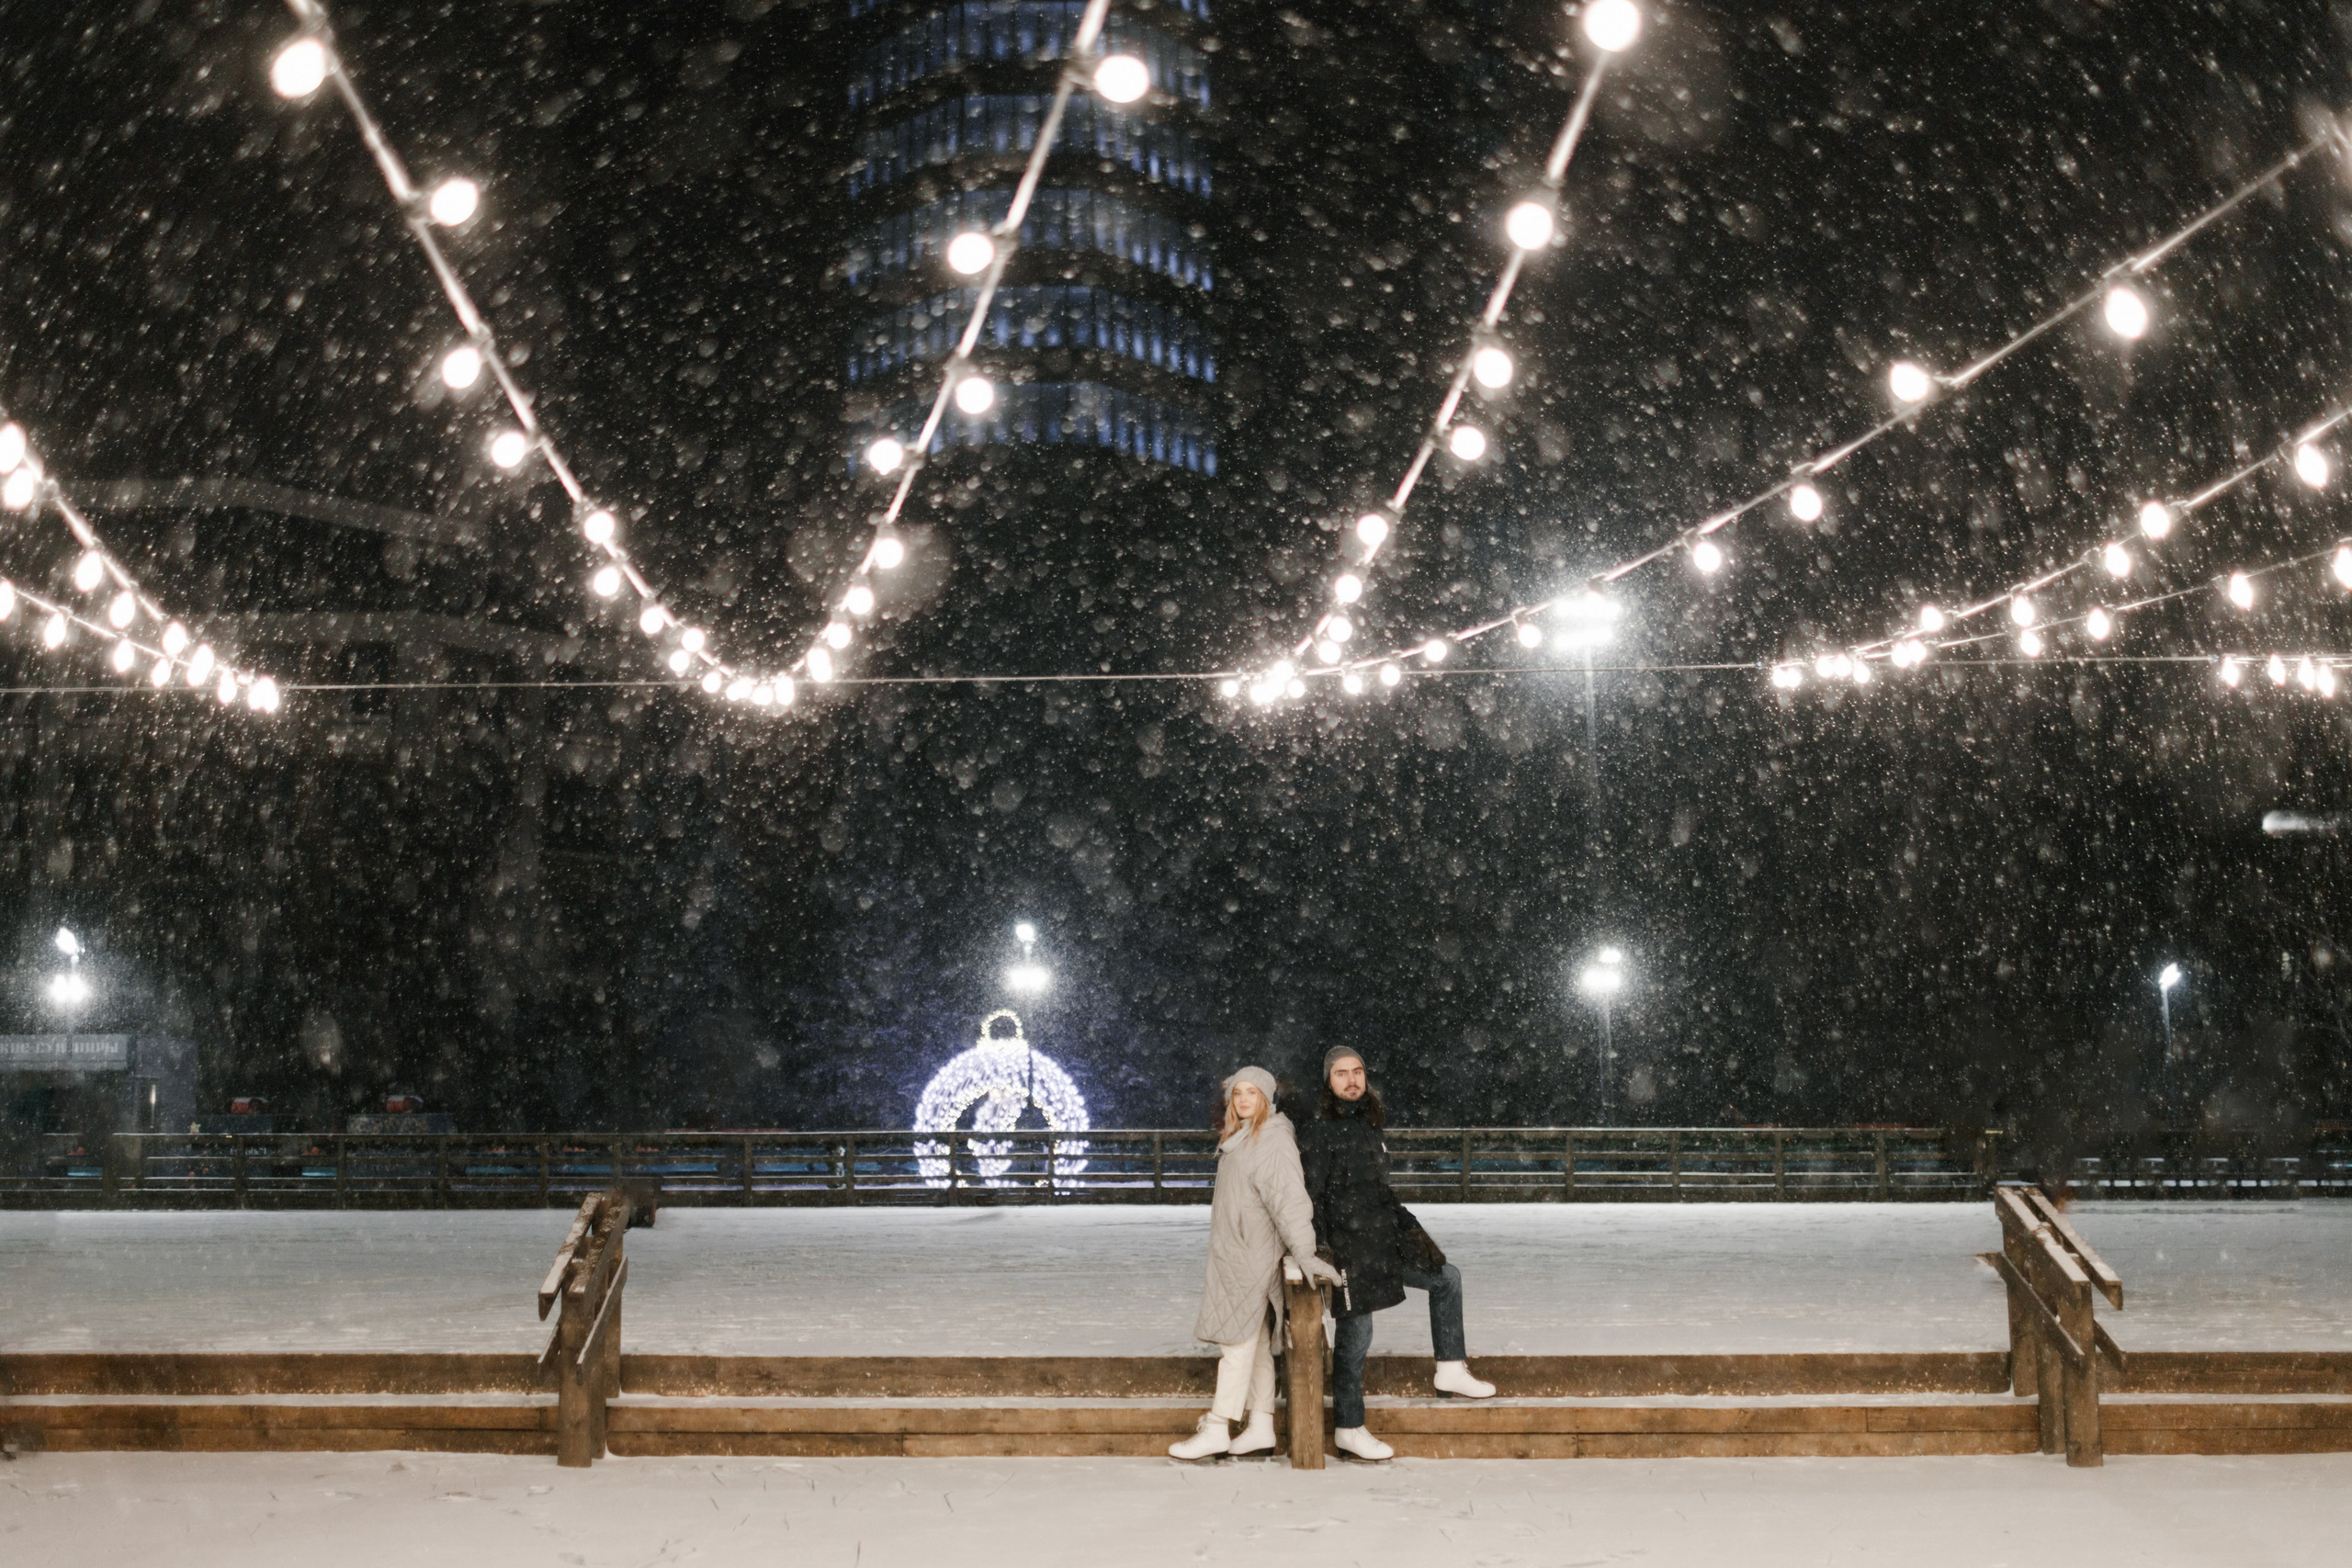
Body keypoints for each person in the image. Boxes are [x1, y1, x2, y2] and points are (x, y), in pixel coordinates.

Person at [1300, 1046, 1496, 1461]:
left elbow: (1381, 1192)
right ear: (1328, 1081)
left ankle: (1450, 1369)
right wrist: (1320, 1248)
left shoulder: (1370, 1125)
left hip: (1383, 1239)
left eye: (1357, 1071)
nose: (1351, 1080)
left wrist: (1413, 1230)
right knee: (1356, 1340)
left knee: (1447, 1278)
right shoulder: (1319, 1130)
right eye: (1341, 1074)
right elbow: (1311, 1197)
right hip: (1349, 1250)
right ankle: (1349, 1428)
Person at [1170, 1066, 1342, 1461]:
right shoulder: (1242, 1138)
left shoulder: (1271, 1141)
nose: (1244, 1099)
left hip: (1252, 1258)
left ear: (1268, 1098)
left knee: (1237, 1343)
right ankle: (1261, 1424)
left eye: (1253, 1092)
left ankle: (1218, 1426)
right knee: (1258, 1343)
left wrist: (1305, 1252)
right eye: (1237, 1093)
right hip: (1235, 1256)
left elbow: (1289, 1201)